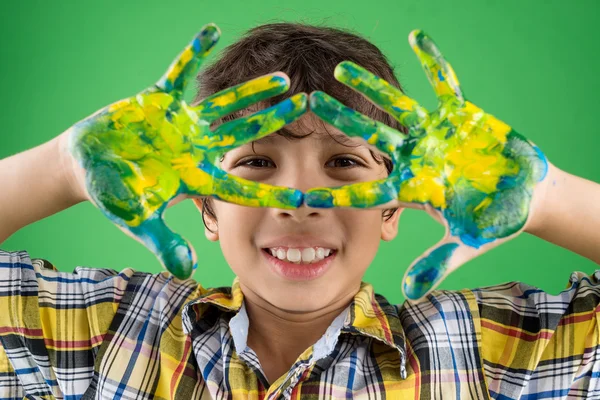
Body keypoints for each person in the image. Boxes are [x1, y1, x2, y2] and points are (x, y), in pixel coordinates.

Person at [0, 22, 599, 399]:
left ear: (395, 209)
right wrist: (59, 168)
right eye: (258, 165)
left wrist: (548, 198)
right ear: (206, 208)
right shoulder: (108, 331)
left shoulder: (481, 352)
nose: (301, 204)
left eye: (343, 166)